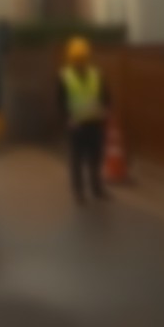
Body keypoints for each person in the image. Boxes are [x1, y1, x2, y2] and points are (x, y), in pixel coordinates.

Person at [57, 37, 112, 205]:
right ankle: (79, 192)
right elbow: (60, 101)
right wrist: (67, 119)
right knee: (77, 160)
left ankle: (97, 189)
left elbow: (106, 95)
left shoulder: (96, 74)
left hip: (95, 123)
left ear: (87, 58)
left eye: (82, 58)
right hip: (76, 125)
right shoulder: (64, 76)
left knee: (96, 158)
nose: (80, 62)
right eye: (77, 59)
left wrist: (106, 109)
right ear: (71, 60)